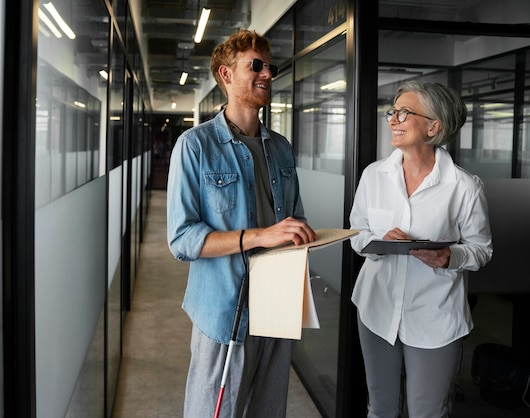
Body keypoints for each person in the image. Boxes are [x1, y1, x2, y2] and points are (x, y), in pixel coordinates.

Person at [167, 29, 317, 417]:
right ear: (226, 75)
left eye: (270, 66)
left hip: (279, 300)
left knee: (269, 409)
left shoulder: (281, 147)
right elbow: (182, 240)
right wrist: (260, 236)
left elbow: (294, 215)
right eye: (256, 66)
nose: (267, 73)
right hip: (226, 307)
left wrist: (300, 234)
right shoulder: (195, 146)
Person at [349, 80, 493, 417]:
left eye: (403, 112)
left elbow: (481, 249)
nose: (392, 119)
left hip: (435, 316)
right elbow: (357, 234)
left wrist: (450, 256)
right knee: (380, 408)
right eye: (392, 112)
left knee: (427, 411)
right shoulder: (374, 176)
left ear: (433, 126)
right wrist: (380, 243)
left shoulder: (464, 187)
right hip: (376, 309)